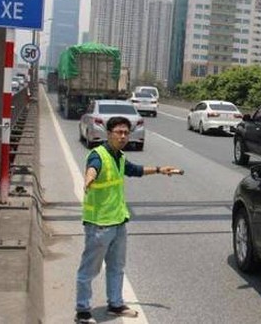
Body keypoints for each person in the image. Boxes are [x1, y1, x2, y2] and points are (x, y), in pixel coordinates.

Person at [74, 116, 182, 324]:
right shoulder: (99, 155)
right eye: (119, 132)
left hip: (118, 222)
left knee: (117, 267)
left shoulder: (119, 157)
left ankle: (115, 304)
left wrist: (160, 169)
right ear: (109, 133)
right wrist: (88, 178)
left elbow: (136, 170)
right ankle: (83, 310)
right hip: (99, 224)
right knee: (89, 269)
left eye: (126, 133)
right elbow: (92, 168)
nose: (123, 136)